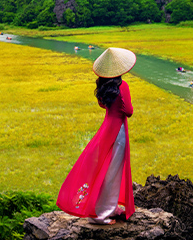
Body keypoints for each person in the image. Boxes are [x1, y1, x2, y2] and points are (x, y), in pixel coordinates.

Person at [57, 47, 136, 224]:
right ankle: (101, 214)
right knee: (113, 171)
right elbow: (129, 111)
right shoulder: (122, 86)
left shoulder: (102, 85)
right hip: (118, 132)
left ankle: (109, 206)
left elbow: (103, 105)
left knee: (105, 168)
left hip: (105, 129)